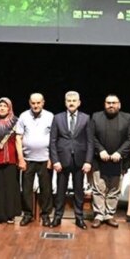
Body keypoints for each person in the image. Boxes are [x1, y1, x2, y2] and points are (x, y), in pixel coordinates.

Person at [90, 94, 130, 228]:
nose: (111, 105)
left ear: (119, 105)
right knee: (98, 188)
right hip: (99, 159)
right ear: (104, 104)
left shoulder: (127, 118)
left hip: (118, 161)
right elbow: (91, 136)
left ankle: (109, 215)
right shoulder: (96, 117)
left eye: (114, 103)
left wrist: (119, 153)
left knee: (114, 189)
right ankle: (99, 215)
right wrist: (101, 150)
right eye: (108, 103)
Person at [50, 91, 93, 229]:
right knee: (60, 191)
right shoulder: (57, 118)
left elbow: (90, 142)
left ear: (79, 102)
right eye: (69, 100)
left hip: (80, 160)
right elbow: (53, 141)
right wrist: (55, 160)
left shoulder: (86, 118)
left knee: (78, 191)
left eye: (74, 100)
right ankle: (57, 217)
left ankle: (79, 218)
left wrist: (88, 161)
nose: (71, 103)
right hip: (62, 160)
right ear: (65, 102)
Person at [16, 92, 54, 227]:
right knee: (26, 189)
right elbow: (18, 138)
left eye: (38, 103)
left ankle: (46, 215)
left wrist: (52, 158)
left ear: (43, 103)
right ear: (29, 103)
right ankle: (27, 214)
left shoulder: (50, 116)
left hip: (45, 159)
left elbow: (54, 139)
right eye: (33, 103)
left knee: (46, 189)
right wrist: (20, 159)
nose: (36, 105)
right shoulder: (23, 116)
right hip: (27, 159)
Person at [0, 97, 22, 224]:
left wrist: (21, 159)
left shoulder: (16, 121)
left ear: (9, 108)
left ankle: (10, 215)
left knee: (9, 187)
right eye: (0, 105)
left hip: (10, 159)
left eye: (5, 106)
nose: (2, 108)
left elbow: (19, 141)